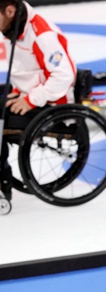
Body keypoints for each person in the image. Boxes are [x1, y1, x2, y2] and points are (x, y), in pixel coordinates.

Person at [0, 0, 76, 202]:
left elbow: (64, 76)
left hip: (51, 102)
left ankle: (3, 185)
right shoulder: (12, 28)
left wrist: (30, 99)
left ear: (9, 11)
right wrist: (18, 91)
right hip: (28, 93)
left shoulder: (42, 35)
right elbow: (26, 69)